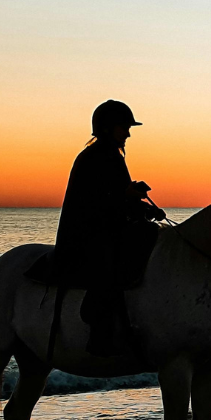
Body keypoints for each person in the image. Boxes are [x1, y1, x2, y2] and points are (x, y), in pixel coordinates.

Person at [54, 100, 166, 354]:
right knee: (109, 262)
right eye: (124, 127)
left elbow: (118, 199)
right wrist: (128, 196)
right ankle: (99, 332)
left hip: (105, 227)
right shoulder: (95, 157)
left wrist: (146, 208)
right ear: (107, 128)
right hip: (88, 235)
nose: (127, 133)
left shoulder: (110, 156)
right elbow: (96, 203)